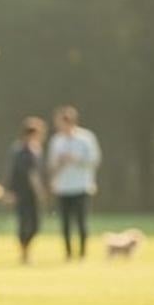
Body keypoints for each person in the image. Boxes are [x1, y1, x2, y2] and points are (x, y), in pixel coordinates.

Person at [48, 105, 101, 261]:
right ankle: (68, 253)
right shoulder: (56, 140)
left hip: (81, 185)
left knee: (81, 221)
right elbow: (51, 163)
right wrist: (59, 163)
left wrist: (76, 159)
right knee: (65, 223)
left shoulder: (86, 138)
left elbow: (94, 160)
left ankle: (82, 253)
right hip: (62, 186)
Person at [7, 116, 47, 264]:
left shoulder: (34, 149)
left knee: (33, 224)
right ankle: (24, 253)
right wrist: (39, 191)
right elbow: (30, 174)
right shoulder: (22, 151)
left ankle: (25, 251)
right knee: (25, 223)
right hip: (24, 193)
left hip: (26, 193)